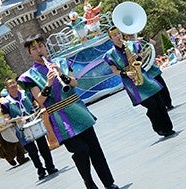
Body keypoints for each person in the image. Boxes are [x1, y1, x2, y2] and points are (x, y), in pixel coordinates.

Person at [18, 35, 119, 189]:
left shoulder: (61, 62)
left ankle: (109, 183)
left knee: (95, 149)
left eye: (40, 46)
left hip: (78, 110)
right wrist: (48, 83)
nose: (39, 50)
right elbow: (40, 100)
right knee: (81, 150)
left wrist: (61, 75)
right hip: (60, 118)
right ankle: (89, 182)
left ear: (45, 46)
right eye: (34, 48)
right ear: (29, 52)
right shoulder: (29, 76)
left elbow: (74, 83)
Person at [104, 27, 175, 137]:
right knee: (151, 104)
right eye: (115, 35)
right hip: (131, 83)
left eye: (119, 34)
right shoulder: (110, 54)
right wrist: (125, 73)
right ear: (111, 39)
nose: (118, 36)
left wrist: (137, 57)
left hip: (144, 77)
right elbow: (115, 71)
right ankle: (159, 127)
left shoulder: (131, 45)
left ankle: (168, 128)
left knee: (159, 102)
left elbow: (141, 58)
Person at [0, 78, 58, 181]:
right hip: (22, 129)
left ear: (16, 84)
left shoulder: (27, 94)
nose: (12, 85)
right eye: (10, 84)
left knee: (43, 146)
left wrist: (39, 111)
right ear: (7, 88)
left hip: (34, 123)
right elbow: (6, 118)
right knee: (32, 151)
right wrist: (14, 120)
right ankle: (40, 170)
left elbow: (36, 105)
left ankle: (50, 166)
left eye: (13, 82)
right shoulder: (5, 103)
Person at [124, 33, 174, 110]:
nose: (132, 36)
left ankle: (168, 103)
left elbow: (154, 43)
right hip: (142, 71)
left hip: (151, 68)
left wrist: (144, 39)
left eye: (132, 34)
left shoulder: (140, 41)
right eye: (129, 36)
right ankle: (162, 107)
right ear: (126, 37)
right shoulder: (127, 46)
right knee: (154, 91)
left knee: (163, 87)